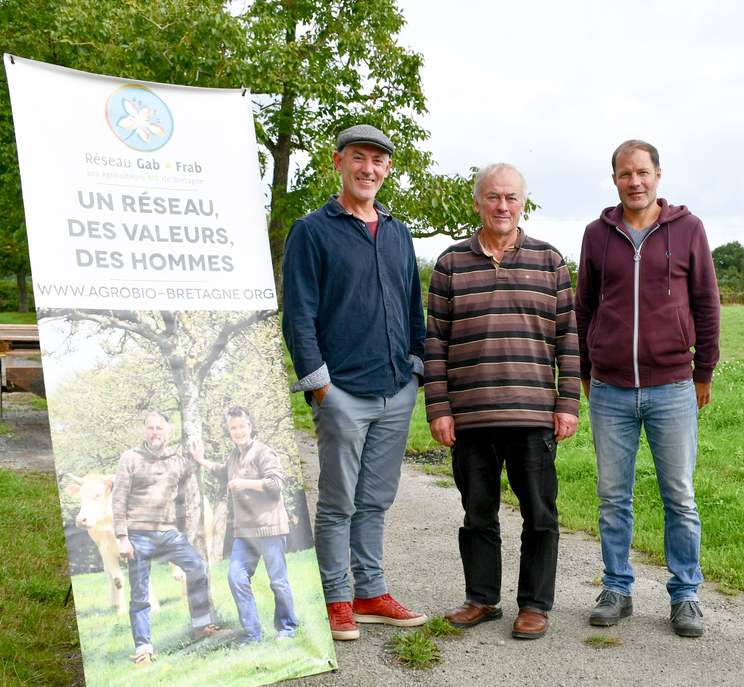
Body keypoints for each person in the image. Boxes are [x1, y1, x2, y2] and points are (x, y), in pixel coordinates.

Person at [282, 123, 428, 641]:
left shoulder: (396, 231)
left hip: (395, 390)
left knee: (375, 500)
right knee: (338, 500)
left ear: (388, 169)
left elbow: (413, 305)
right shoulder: (312, 230)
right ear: (339, 162)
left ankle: (370, 591)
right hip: (341, 392)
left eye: (379, 161)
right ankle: (335, 597)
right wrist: (322, 389)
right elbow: (298, 316)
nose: (369, 169)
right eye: (359, 158)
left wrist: (415, 369)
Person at [425, 163, 580, 640]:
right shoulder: (450, 264)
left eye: (512, 198)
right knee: (478, 513)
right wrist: (439, 408)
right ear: (477, 202)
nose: (503, 206)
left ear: (523, 203)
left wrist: (568, 404)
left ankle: (534, 605)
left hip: (533, 413)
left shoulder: (550, 261)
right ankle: (482, 599)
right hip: (470, 416)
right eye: (493, 197)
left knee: (539, 514)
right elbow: (434, 345)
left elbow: (568, 340)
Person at [575, 140, 721, 637]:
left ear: (658, 175)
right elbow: (584, 307)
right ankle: (616, 588)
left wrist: (704, 371)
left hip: (673, 385)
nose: (634, 181)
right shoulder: (598, 234)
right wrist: (584, 370)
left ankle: (685, 596)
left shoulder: (688, 229)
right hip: (611, 388)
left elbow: (706, 303)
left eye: (642, 172)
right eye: (623, 174)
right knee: (613, 495)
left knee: (679, 495)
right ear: (614, 179)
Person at [112, 411, 227, 665]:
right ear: (145, 431)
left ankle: (200, 626)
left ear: (169, 433)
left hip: (169, 534)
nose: (155, 432)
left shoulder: (178, 461)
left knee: (198, 566)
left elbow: (190, 489)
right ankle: (144, 649)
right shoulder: (129, 458)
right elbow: (118, 499)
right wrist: (122, 537)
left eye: (159, 428)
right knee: (140, 592)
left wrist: (199, 459)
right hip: (138, 534)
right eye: (150, 428)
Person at [191, 406, 297, 645]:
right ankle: (252, 634)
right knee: (236, 577)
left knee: (278, 581)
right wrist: (201, 460)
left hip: (270, 528)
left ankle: (287, 629)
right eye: (233, 428)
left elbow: (276, 483)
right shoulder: (234, 456)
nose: (238, 431)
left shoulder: (264, 452)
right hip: (245, 533)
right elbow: (223, 472)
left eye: (241, 426)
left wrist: (245, 483)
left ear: (250, 427)